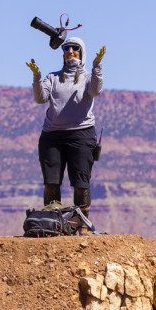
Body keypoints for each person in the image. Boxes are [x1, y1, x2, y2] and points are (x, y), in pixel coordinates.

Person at [26, 37, 106, 216]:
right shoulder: (52, 77)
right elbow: (40, 99)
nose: (70, 51)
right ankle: (54, 224)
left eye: (75, 48)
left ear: (81, 52)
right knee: (51, 182)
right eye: (66, 48)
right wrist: (37, 77)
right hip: (52, 136)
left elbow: (96, 91)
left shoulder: (87, 77)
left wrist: (97, 66)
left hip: (81, 135)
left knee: (81, 183)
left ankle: (82, 225)